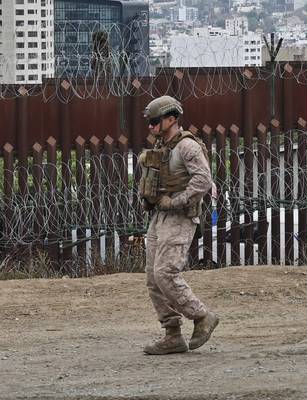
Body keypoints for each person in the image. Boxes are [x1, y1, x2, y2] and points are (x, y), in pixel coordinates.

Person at [136, 96, 220, 355]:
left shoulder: (187, 146)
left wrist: (176, 201)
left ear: (171, 119)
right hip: (159, 217)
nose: (150, 127)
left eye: (155, 121)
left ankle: (202, 315)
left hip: (180, 216)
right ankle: (172, 334)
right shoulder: (164, 146)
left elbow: (203, 181)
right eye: (149, 122)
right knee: (153, 278)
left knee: (165, 273)